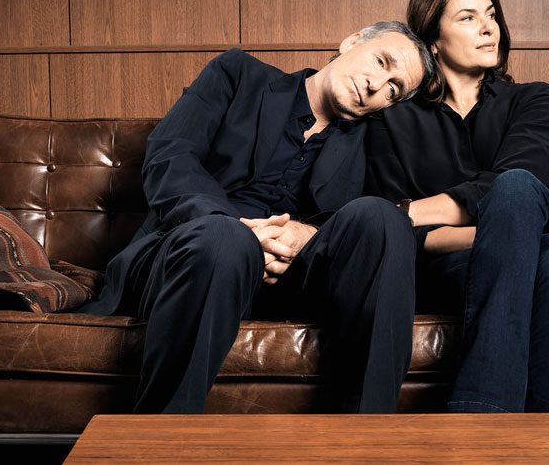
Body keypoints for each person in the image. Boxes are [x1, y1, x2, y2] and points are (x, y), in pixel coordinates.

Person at [80, 21, 434, 414]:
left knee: (385, 219)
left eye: (392, 89)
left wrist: (309, 234)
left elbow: (381, 226)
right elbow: (171, 155)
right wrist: (240, 231)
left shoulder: (375, 139)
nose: (375, 85)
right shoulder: (237, 74)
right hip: (193, 255)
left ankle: (365, 436)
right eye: (381, 62)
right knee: (224, 240)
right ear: (352, 41)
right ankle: (163, 438)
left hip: (291, 278)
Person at [366, 0, 549, 413]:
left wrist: (408, 211)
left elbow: (509, 183)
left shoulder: (533, 100)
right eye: (468, 18)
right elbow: (397, 234)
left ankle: (480, 415)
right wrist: (509, 234)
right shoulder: (392, 119)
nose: (489, 28)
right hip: (454, 269)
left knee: (516, 187)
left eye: (491, 15)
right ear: (432, 40)